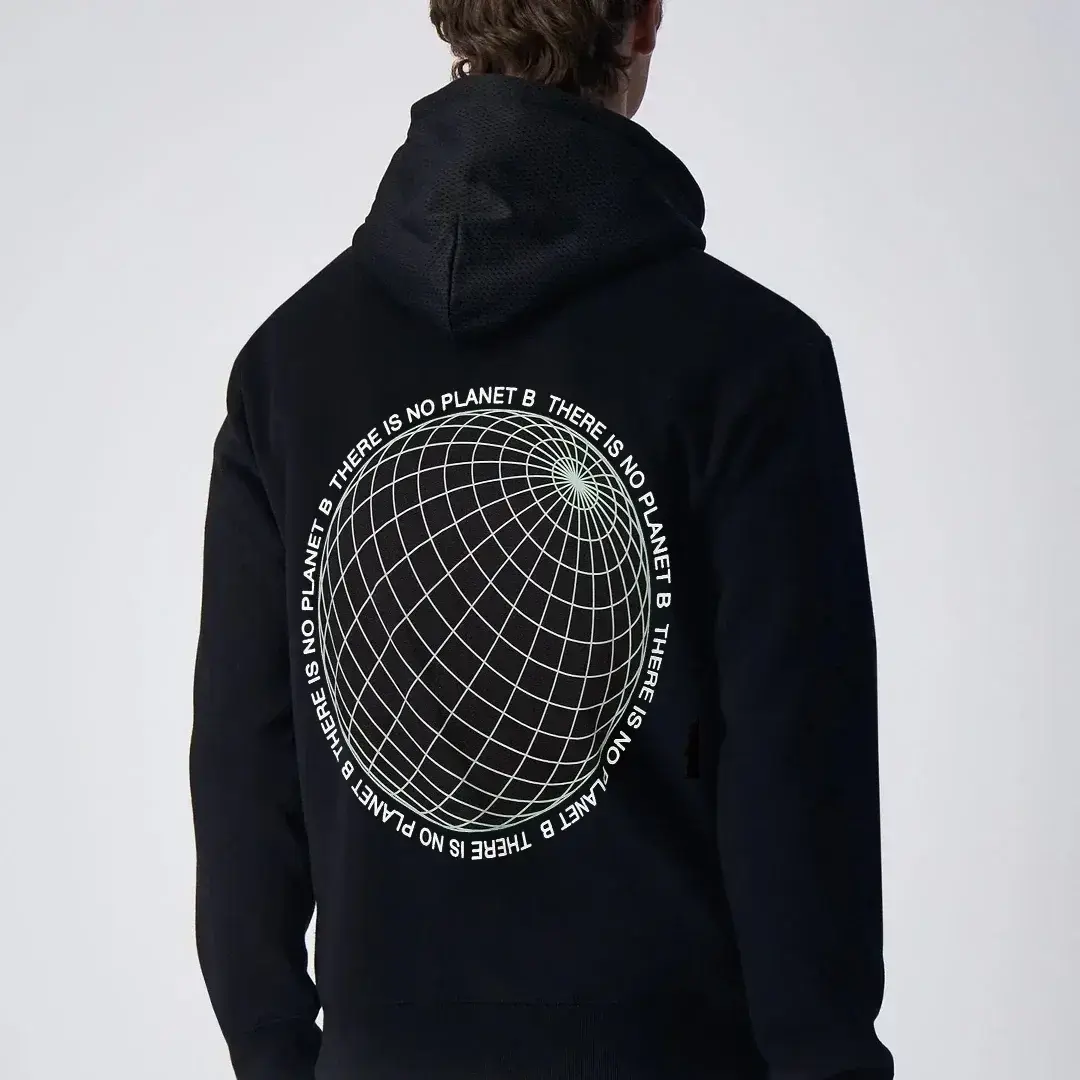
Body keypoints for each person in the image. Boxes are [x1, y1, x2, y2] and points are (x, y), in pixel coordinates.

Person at [189, 2, 894, 1077]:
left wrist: (277, 1055)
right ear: (644, 21)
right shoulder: (753, 361)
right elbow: (795, 780)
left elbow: (246, 766)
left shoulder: (289, 367)